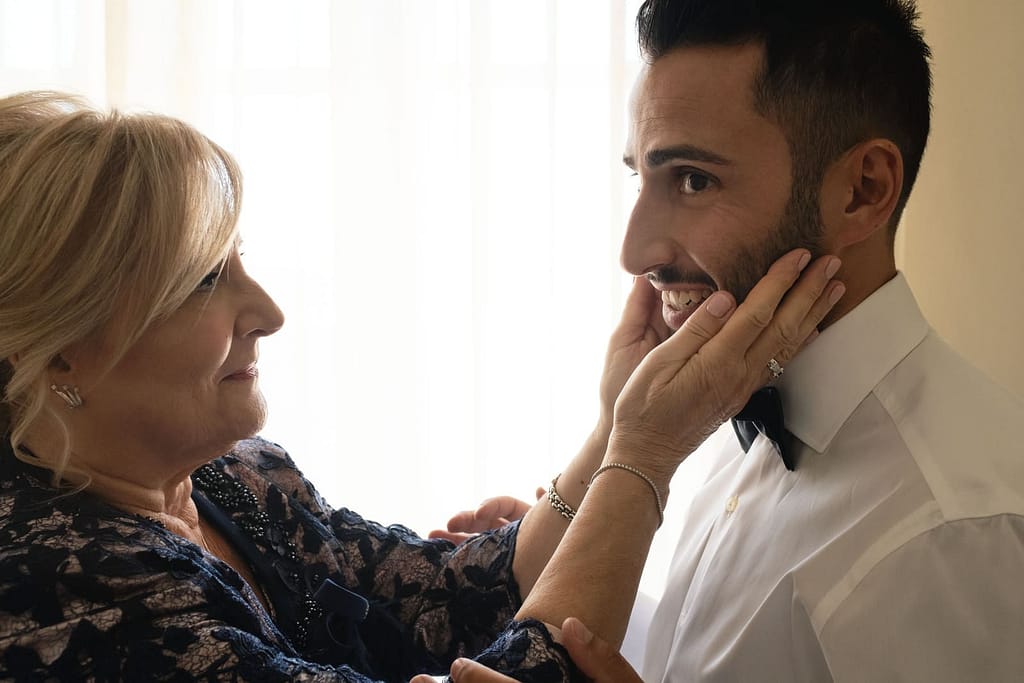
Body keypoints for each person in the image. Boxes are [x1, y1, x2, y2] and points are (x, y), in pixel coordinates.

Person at [0, 91, 841, 681]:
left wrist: (608, 430)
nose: (269, 311)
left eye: (242, 263)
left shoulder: (235, 475)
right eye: (202, 281)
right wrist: (646, 452)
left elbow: (451, 595)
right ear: (63, 350)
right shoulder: (60, 601)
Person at [440, 0, 1024, 680]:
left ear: (863, 191)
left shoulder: (955, 530)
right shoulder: (717, 406)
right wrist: (570, 537)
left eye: (692, 179)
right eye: (642, 176)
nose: (635, 251)